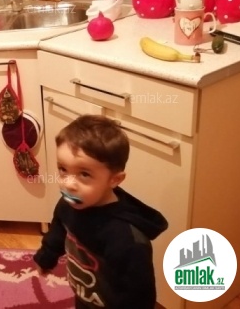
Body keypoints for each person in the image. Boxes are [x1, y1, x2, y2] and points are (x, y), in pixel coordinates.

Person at [33, 114, 168, 309]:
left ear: (114, 180)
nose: (68, 184)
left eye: (84, 174)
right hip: (86, 296)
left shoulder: (126, 239)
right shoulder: (69, 204)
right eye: (63, 169)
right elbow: (58, 230)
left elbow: (139, 296)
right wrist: (46, 257)